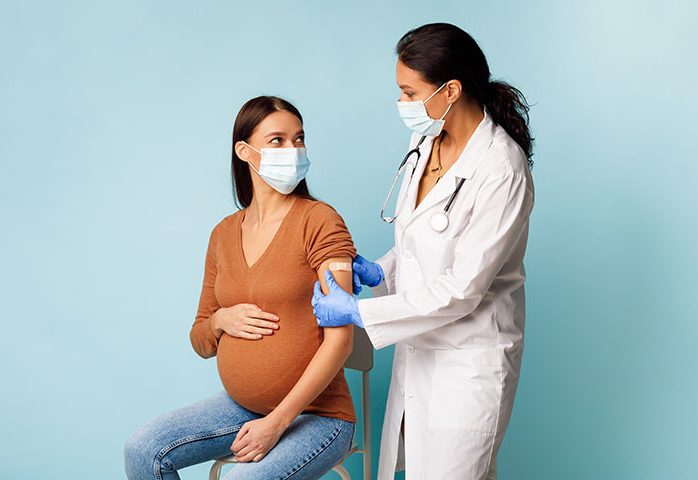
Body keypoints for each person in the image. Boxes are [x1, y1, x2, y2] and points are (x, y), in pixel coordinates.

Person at [312, 23, 535, 479]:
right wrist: (382, 271)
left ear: (450, 90)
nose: (402, 103)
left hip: (469, 363)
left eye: (410, 92)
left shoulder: (501, 169)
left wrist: (359, 312)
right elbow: (421, 244)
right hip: (420, 355)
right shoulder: (425, 141)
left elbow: (463, 289)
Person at [125, 96, 357, 479]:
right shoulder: (223, 234)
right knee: (142, 449)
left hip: (318, 415)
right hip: (242, 409)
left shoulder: (320, 221)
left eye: (299, 139)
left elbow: (341, 341)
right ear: (244, 151)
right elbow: (200, 340)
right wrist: (221, 320)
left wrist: (277, 423)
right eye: (277, 140)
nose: (293, 150)